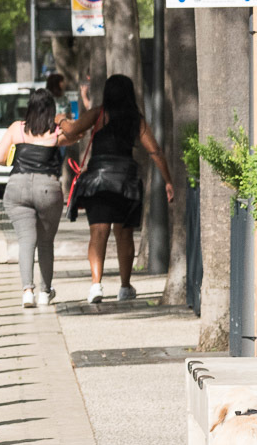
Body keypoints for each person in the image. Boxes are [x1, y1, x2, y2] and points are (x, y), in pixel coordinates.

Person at [62, 73, 176, 304]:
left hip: (98, 181)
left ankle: (96, 285)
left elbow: (72, 129)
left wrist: (59, 120)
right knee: (124, 234)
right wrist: (168, 181)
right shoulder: (137, 120)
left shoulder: (98, 113)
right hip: (126, 180)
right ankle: (124, 286)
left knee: (98, 232)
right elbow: (155, 151)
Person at [0, 89, 67, 308]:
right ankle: (45, 292)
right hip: (48, 189)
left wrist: (14, 160)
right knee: (45, 242)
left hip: (17, 187)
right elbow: (78, 135)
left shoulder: (18, 128)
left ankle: (27, 291)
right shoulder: (57, 132)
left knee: (26, 241)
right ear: (51, 109)